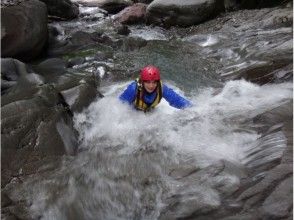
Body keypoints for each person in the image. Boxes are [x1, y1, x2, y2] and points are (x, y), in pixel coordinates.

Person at [119, 65, 192, 112]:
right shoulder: (133, 89)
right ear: (142, 82)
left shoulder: (161, 88)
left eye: (154, 82)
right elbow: (119, 108)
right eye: (148, 82)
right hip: (132, 112)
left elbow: (177, 100)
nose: (151, 86)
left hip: (149, 111)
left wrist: (196, 110)